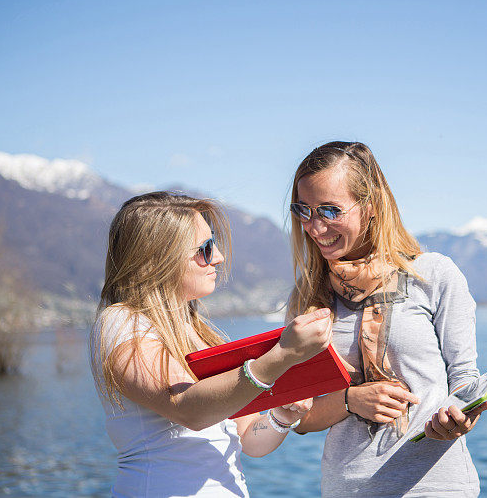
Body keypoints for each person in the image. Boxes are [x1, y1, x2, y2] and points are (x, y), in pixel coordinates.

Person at [90, 191, 332, 497]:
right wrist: (283, 355)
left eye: (213, 243)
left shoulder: (201, 331)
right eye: (204, 249)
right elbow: (187, 409)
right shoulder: (122, 321)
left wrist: (284, 415)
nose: (218, 257)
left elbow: (247, 438)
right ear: (156, 260)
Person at [288, 142, 487, 497]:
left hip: (434, 486)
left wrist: (458, 416)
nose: (314, 227)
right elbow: (299, 416)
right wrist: (351, 400)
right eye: (304, 210)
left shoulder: (434, 274)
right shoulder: (307, 296)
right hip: (345, 489)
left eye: (329, 211)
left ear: (371, 207)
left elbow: (464, 380)